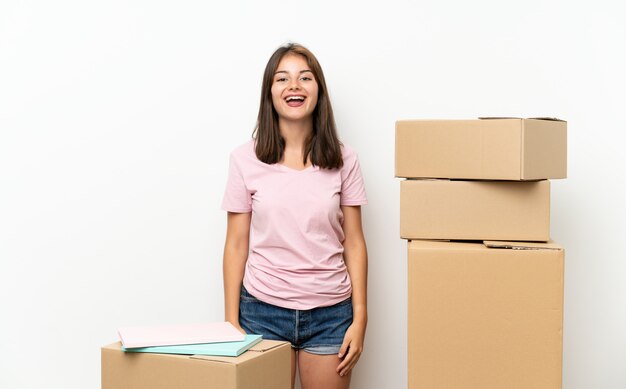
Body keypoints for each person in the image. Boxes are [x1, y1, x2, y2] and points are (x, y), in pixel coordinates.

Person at [221, 42, 368, 389]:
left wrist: (360, 316)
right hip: (262, 311)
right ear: (269, 93)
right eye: (282, 79)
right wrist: (230, 321)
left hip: (331, 314)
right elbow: (236, 245)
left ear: (319, 90)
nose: (294, 86)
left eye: (305, 77)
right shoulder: (244, 160)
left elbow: (356, 243)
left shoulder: (345, 160)